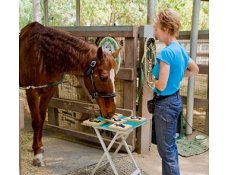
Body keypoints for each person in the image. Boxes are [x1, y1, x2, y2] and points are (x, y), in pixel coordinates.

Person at [151, 8, 199, 175]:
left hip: (165, 105)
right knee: (170, 148)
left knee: (166, 152)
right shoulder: (179, 49)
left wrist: (151, 81)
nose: (155, 33)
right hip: (175, 101)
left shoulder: (166, 53)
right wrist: (177, 77)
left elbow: (161, 86)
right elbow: (194, 69)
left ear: (165, 29)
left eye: (156, 29)